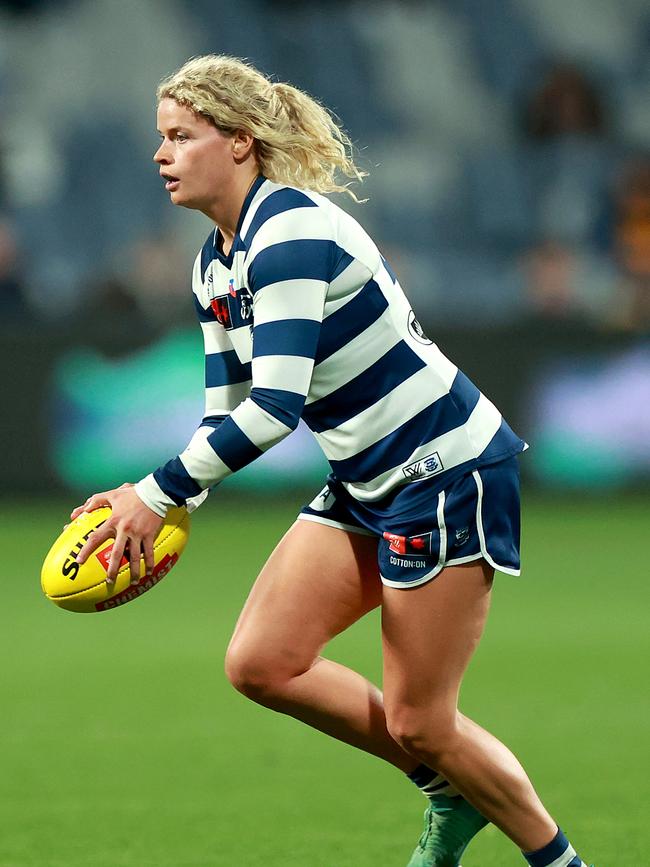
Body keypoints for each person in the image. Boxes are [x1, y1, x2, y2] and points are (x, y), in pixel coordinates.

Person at [72, 55, 591, 867]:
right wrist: (172, 505)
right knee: (262, 662)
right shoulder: (214, 259)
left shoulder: (290, 235)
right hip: (366, 478)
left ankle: (558, 860)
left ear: (240, 142)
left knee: (425, 721)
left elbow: (276, 410)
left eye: (181, 136)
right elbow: (227, 408)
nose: (161, 154)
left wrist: (152, 490)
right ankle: (452, 793)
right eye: (159, 139)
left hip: (444, 472)